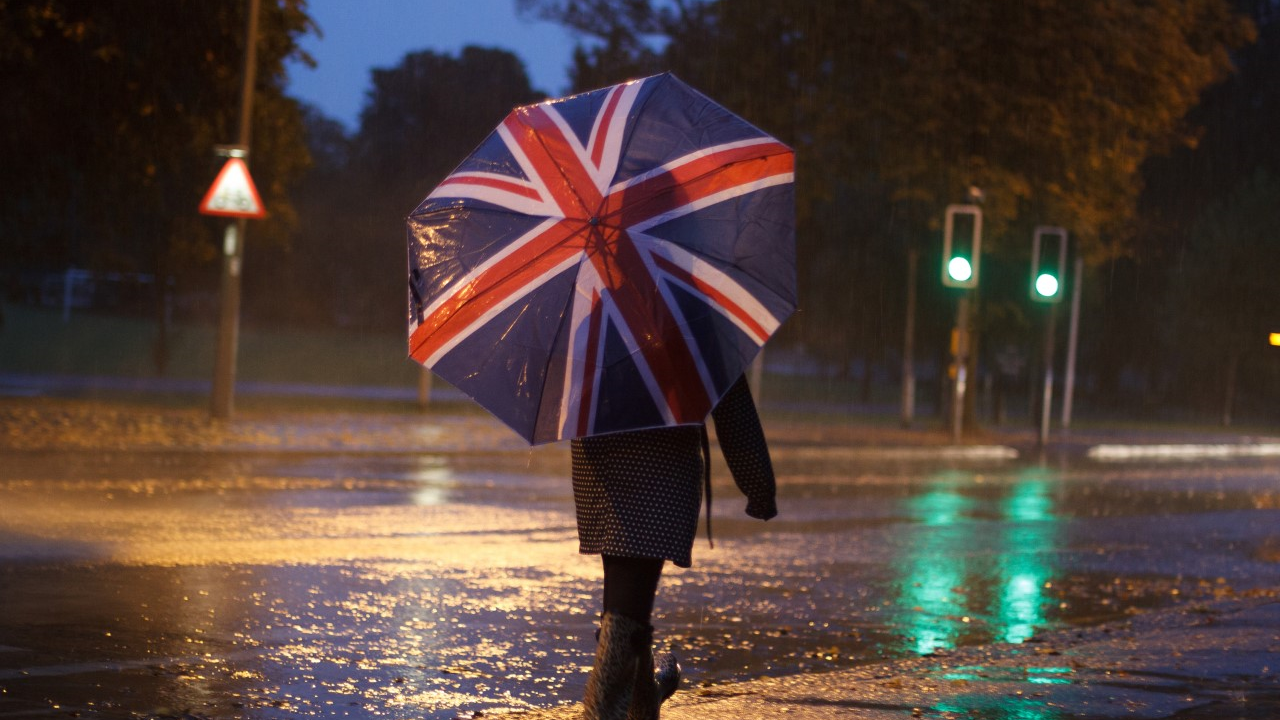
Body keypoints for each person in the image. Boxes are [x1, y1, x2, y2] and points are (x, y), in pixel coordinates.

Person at [570, 374, 778, 720]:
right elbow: (729, 396)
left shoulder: (592, 323)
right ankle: (606, 710)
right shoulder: (686, 322)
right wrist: (758, 485)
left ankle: (642, 702)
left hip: (600, 462)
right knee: (625, 612)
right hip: (662, 470)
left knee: (623, 603)